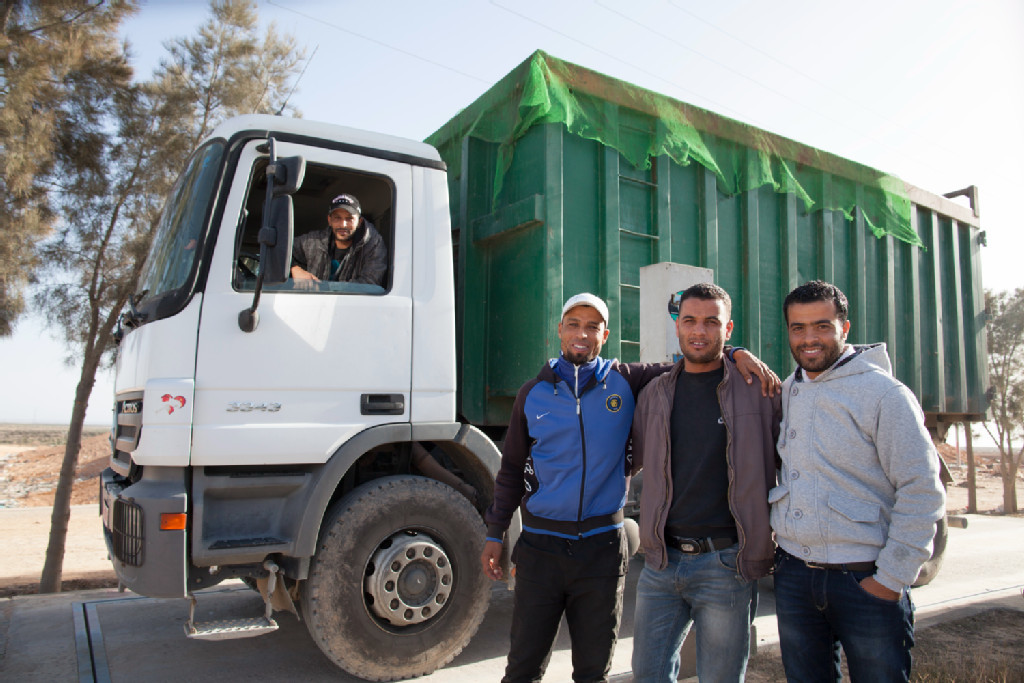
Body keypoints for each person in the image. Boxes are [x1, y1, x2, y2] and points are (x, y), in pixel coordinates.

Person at [480, 292, 778, 683]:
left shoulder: (628, 379)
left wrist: (736, 352)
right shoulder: (531, 393)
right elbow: (512, 469)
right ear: (560, 330)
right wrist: (496, 531)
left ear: (606, 334)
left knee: (593, 671)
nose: (582, 334)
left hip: (603, 548)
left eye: (592, 327)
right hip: (540, 547)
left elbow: (697, 355)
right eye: (574, 324)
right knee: (521, 667)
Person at [771, 280, 945, 682]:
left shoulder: (885, 394)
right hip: (796, 576)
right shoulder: (788, 390)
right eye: (798, 328)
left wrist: (891, 579)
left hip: (864, 580)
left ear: (844, 329)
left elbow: (921, 489)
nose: (809, 338)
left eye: (822, 326)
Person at [629, 283, 781, 683]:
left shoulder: (760, 390)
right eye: (690, 320)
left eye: (711, 322)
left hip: (726, 564)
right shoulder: (655, 394)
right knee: (647, 675)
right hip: (660, 566)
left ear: (728, 329)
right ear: (676, 326)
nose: (699, 331)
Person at [290, 193, 387, 286]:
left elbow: (369, 284)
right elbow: (279, 250)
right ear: (329, 220)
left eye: (349, 219)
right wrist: (295, 269)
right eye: (337, 218)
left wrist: (326, 289)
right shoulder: (313, 241)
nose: (343, 225)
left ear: (359, 222)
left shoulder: (373, 245)